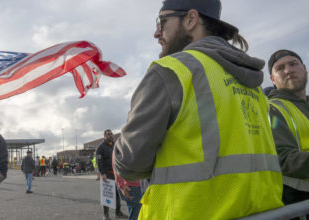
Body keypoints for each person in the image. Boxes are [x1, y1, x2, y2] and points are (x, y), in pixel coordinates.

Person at [114, 0, 283, 219]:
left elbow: (129, 163)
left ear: (191, 19)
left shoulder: (171, 71)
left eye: (162, 22)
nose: (157, 33)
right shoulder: (253, 83)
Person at [267, 50, 309, 208]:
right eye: (279, 68)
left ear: (304, 68)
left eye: (293, 64)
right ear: (272, 79)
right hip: (297, 203)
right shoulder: (271, 110)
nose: (288, 70)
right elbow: (283, 158)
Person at [97, 129, 127, 220]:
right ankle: (105, 215)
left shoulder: (115, 145)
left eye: (111, 134)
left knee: (117, 193)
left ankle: (118, 212)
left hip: (116, 174)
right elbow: (99, 161)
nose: (110, 135)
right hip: (107, 174)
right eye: (108, 134)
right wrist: (102, 173)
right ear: (104, 136)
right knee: (107, 194)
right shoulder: (101, 147)